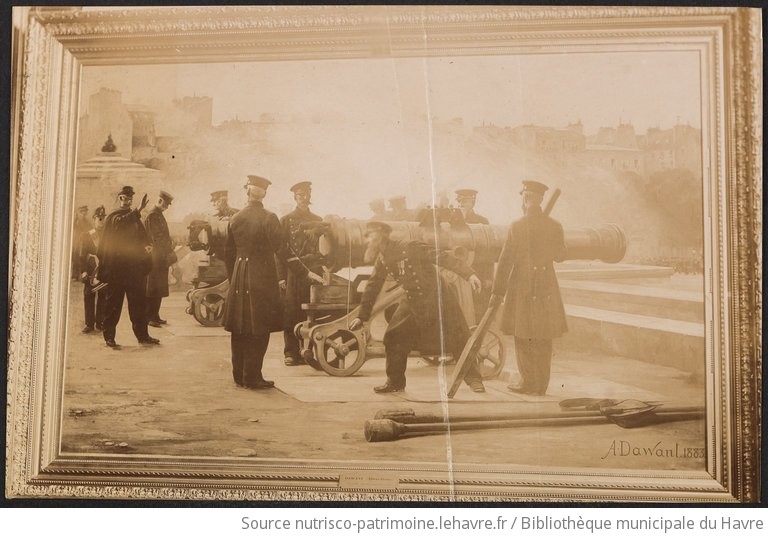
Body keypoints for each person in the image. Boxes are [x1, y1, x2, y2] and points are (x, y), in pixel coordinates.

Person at [349, 221, 486, 394]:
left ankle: (474, 379)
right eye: (366, 236)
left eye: (371, 235)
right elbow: (372, 286)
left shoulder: (409, 247)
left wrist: (470, 274)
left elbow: (441, 256)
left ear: (382, 234)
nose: (367, 239)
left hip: (438, 296)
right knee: (393, 337)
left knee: (459, 336)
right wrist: (361, 316)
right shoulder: (382, 259)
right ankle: (395, 382)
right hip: (412, 299)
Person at [489, 180, 567, 396]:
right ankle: (540, 385)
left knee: (523, 335)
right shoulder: (554, 226)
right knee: (543, 336)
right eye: (526, 196)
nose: (525, 200)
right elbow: (561, 256)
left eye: (526, 196)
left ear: (532, 200)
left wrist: (497, 291)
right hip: (545, 288)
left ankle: (528, 383)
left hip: (522, 287)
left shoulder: (517, 226)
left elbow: (505, 261)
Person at [223, 175, 283, 389]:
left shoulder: (236, 218)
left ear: (247, 192)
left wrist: (234, 278)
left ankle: (239, 376)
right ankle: (253, 377)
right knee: (260, 328)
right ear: (264, 193)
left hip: (239, 276)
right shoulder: (269, 218)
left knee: (240, 327)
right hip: (262, 277)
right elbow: (281, 250)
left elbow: (228, 253)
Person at [97, 186, 158, 348]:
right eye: (123, 198)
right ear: (119, 199)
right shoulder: (114, 217)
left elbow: (143, 238)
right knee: (113, 305)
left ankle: (143, 336)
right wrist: (138, 210)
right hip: (117, 270)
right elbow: (121, 225)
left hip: (134, 270)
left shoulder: (135, 218)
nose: (126, 201)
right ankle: (109, 337)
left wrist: (147, 247)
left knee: (138, 304)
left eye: (129, 199)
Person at [277, 181, 324, 366]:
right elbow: (280, 250)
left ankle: (310, 351)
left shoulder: (318, 219)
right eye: (300, 194)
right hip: (293, 273)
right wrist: (281, 276)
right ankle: (291, 353)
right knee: (291, 312)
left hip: (314, 271)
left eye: (307, 194)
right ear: (294, 197)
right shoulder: (286, 220)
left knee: (313, 313)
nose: (304, 197)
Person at [455, 188, 493, 321]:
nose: (460, 203)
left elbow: (488, 252)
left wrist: (488, 276)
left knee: (478, 308)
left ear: (473, 202)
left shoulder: (482, 221)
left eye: (464, 200)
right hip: (457, 271)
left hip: (478, 269)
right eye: (459, 200)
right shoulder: (452, 221)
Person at [144, 190, 176, 327]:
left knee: (159, 287)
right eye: (167, 204)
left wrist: (170, 243)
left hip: (160, 256)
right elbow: (156, 238)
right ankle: (149, 317)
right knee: (153, 288)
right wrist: (169, 246)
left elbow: (163, 236)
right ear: (160, 201)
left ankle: (155, 316)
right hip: (155, 257)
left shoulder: (158, 215)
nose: (167, 207)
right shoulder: (152, 216)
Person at [77, 205, 107, 333]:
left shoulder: (108, 236)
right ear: (94, 219)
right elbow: (81, 256)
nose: (101, 221)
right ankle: (89, 324)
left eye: (103, 219)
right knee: (89, 295)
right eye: (99, 219)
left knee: (103, 296)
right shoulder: (86, 235)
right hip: (90, 269)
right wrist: (83, 271)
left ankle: (100, 323)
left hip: (104, 269)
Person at [71, 204, 90, 279]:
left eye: (85, 212)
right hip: (76, 242)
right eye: (82, 212)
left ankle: (82, 275)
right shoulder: (76, 221)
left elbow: (90, 230)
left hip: (84, 242)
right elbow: (73, 227)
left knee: (82, 258)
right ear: (79, 212)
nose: (84, 214)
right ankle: (75, 275)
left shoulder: (86, 222)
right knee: (75, 258)